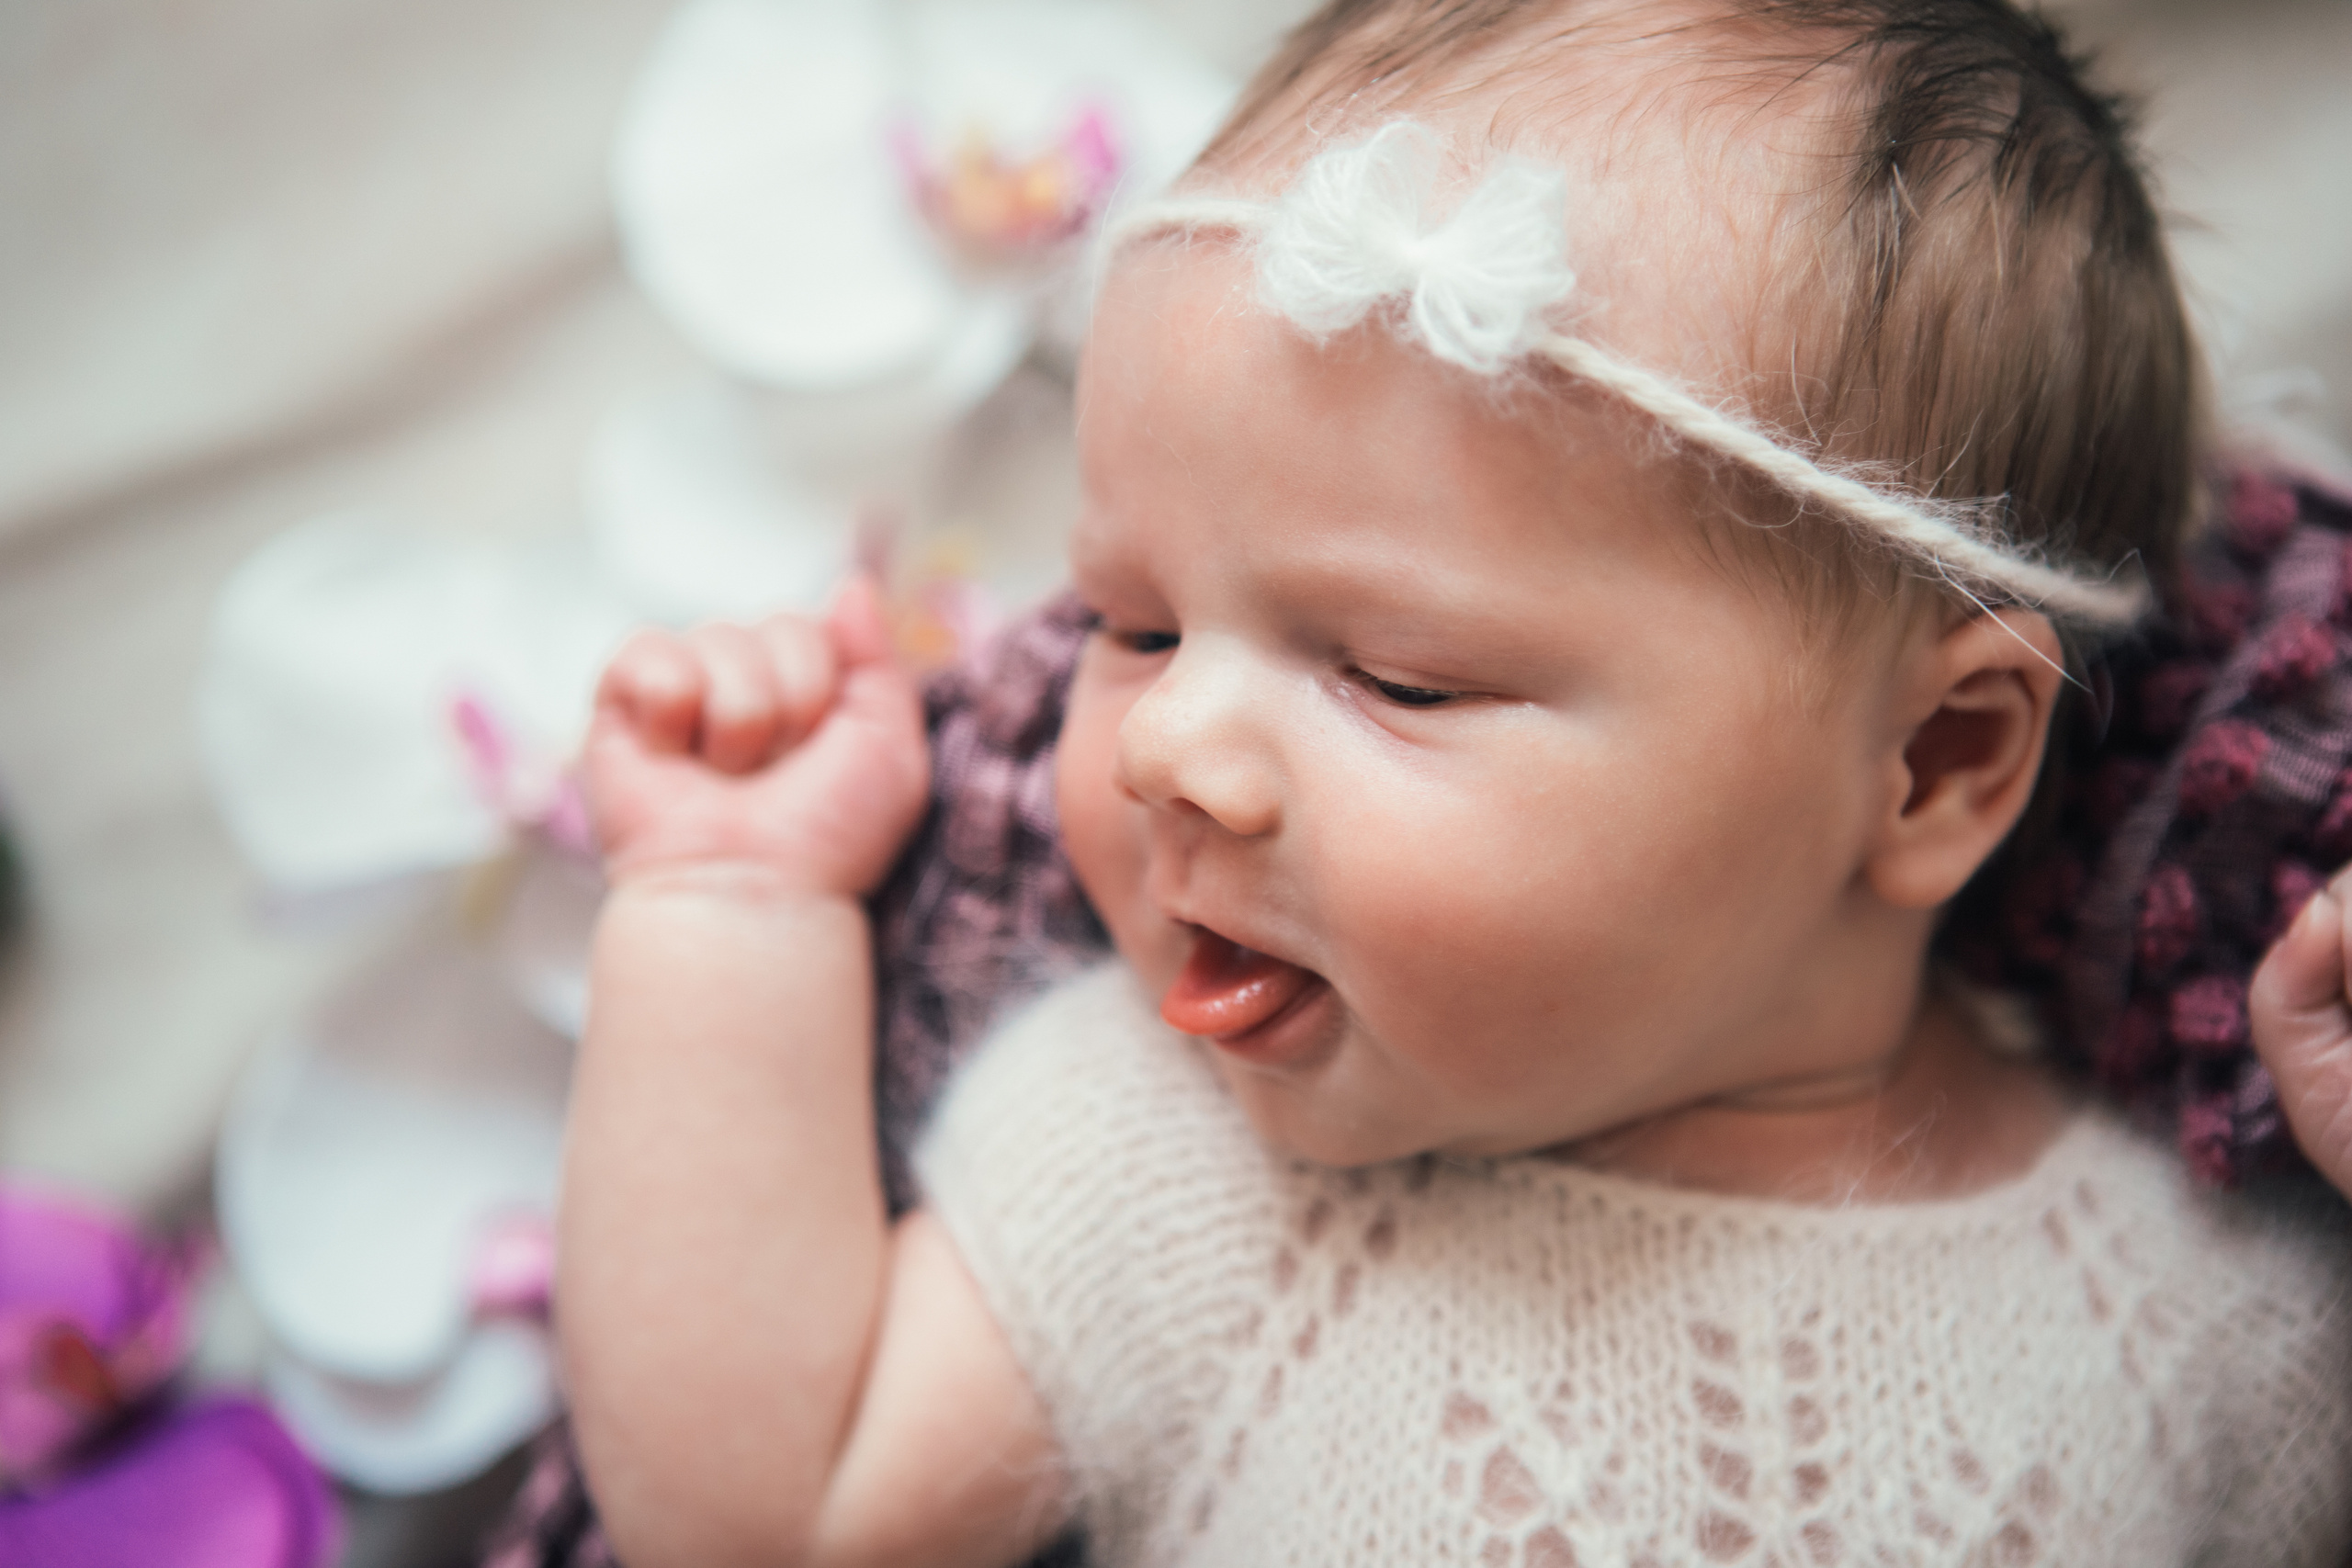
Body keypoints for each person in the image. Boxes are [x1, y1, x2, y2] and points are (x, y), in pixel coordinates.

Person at [556, 2, 2352, 1563]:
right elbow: (767, 1510)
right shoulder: (1166, 1170)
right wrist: (727, 899)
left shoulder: (2201, 1324)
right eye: (1134, 622)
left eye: (1395, 674)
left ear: (1929, 761)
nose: (1171, 749)